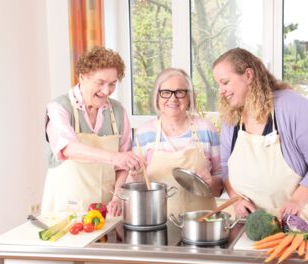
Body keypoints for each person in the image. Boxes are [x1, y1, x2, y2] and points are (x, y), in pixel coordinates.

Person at [212, 48, 308, 227]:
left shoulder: (294, 107)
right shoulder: (231, 121)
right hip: (266, 226)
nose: (221, 91)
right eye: (219, 85)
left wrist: (297, 201)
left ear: (248, 75)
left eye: (225, 82)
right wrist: (236, 199)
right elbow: (225, 169)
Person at [41, 46, 140, 216]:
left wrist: (117, 195)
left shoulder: (118, 112)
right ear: (82, 77)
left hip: (104, 212)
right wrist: (115, 157)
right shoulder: (59, 108)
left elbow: (122, 164)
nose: (107, 90)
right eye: (100, 82)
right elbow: (69, 149)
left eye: (112, 84)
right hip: (65, 212)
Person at [129, 68, 222, 215]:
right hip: (158, 222)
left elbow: (220, 184)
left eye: (180, 92)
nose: (173, 99)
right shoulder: (143, 134)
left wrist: (211, 183)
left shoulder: (206, 129)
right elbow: (139, 188)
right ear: (157, 97)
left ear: (189, 97)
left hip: (202, 226)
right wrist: (135, 176)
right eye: (166, 92)